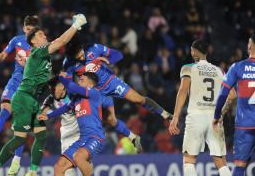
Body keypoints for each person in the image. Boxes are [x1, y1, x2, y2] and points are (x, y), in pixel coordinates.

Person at [0, 13, 88, 176]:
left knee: (42, 135)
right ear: (33, 41)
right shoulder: (38, 51)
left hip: (32, 99)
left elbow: (42, 76)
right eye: (40, 35)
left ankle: (32, 172)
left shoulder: (42, 55)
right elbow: (61, 41)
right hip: (23, 98)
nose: (44, 36)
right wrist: (76, 25)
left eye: (43, 33)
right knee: (19, 138)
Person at [63, 32, 172, 153]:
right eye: (78, 58)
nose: (82, 58)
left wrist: (109, 61)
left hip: (111, 82)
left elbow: (118, 54)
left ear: (82, 47)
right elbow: (68, 85)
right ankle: (133, 138)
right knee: (110, 120)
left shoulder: (94, 47)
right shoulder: (68, 63)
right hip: (97, 92)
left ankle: (166, 115)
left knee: (138, 99)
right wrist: (72, 101)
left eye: (82, 55)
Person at [169, 39, 236, 176]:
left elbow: (183, 90)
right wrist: (222, 113)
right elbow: (233, 95)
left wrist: (175, 116)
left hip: (196, 116)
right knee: (221, 162)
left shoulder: (188, 68)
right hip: (214, 118)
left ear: (193, 52)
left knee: (189, 160)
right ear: (207, 52)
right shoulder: (220, 71)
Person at [0, 15, 38, 175]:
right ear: (24, 29)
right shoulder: (17, 40)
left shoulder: (40, 47)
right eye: (27, 29)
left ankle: (16, 161)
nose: (29, 33)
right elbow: (3, 54)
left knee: (20, 124)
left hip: (28, 87)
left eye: (32, 30)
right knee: (4, 110)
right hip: (14, 82)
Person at [38, 72, 104, 176]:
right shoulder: (77, 97)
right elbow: (67, 107)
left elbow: (71, 86)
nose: (79, 82)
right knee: (58, 167)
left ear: (90, 85)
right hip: (83, 138)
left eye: (82, 80)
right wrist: (49, 116)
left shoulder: (94, 93)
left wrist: (60, 77)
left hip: (95, 136)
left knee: (79, 157)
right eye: (79, 79)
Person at [213, 34, 255, 176]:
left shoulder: (238, 67)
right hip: (244, 125)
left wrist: (217, 114)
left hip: (244, 125)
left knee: (239, 165)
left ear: (249, 46)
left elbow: (223, 94)